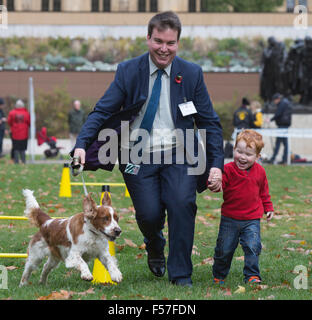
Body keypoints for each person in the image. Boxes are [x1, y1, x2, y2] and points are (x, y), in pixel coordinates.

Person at [72, 11, 224, 287]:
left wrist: (215, 164)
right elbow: (102, 111)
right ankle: (154, 243)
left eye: (171, 43)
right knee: (149, 214)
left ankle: (180, 274)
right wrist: (82, 146)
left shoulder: (191, 74)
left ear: (178, 42)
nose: (164, 49)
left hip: (180, 152)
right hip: (136, 154)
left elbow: (210, 122)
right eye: (158, 41)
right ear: (148, 39)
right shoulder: (129, 71)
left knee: (181, 204)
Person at [211, 129, 274, 286]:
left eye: (248, 154)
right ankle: (219, 274)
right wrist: (214, 184)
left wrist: (268, 208)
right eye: (239, 151)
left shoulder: (260, 172)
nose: (242, 157)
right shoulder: (228, 169)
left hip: (252, 219)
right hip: (230, 219)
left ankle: (252, 275)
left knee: (253, 246)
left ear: (257, 157)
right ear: (234, 150)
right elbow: (220, 184)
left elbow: (264, 192)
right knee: (224, 249)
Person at [269, 93, 292, 165]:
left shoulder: (282, 104)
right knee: (285, 143)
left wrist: (270, 120)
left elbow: (278, 114)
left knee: (278, 143)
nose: (274, 102)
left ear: (278, 99)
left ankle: (273, 158)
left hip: (282, 126)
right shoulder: (285, 103)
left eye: (274, 100)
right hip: (284, 125)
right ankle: (284, 159)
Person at [7, 99, 31, 164]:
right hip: (24, 133)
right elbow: (29, 122)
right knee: (23, 148)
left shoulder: (12, 112)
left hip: (15, 133)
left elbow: (9, 121)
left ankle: (16, 161)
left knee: (16, 148)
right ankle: (23, 160)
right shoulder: (26, 113)